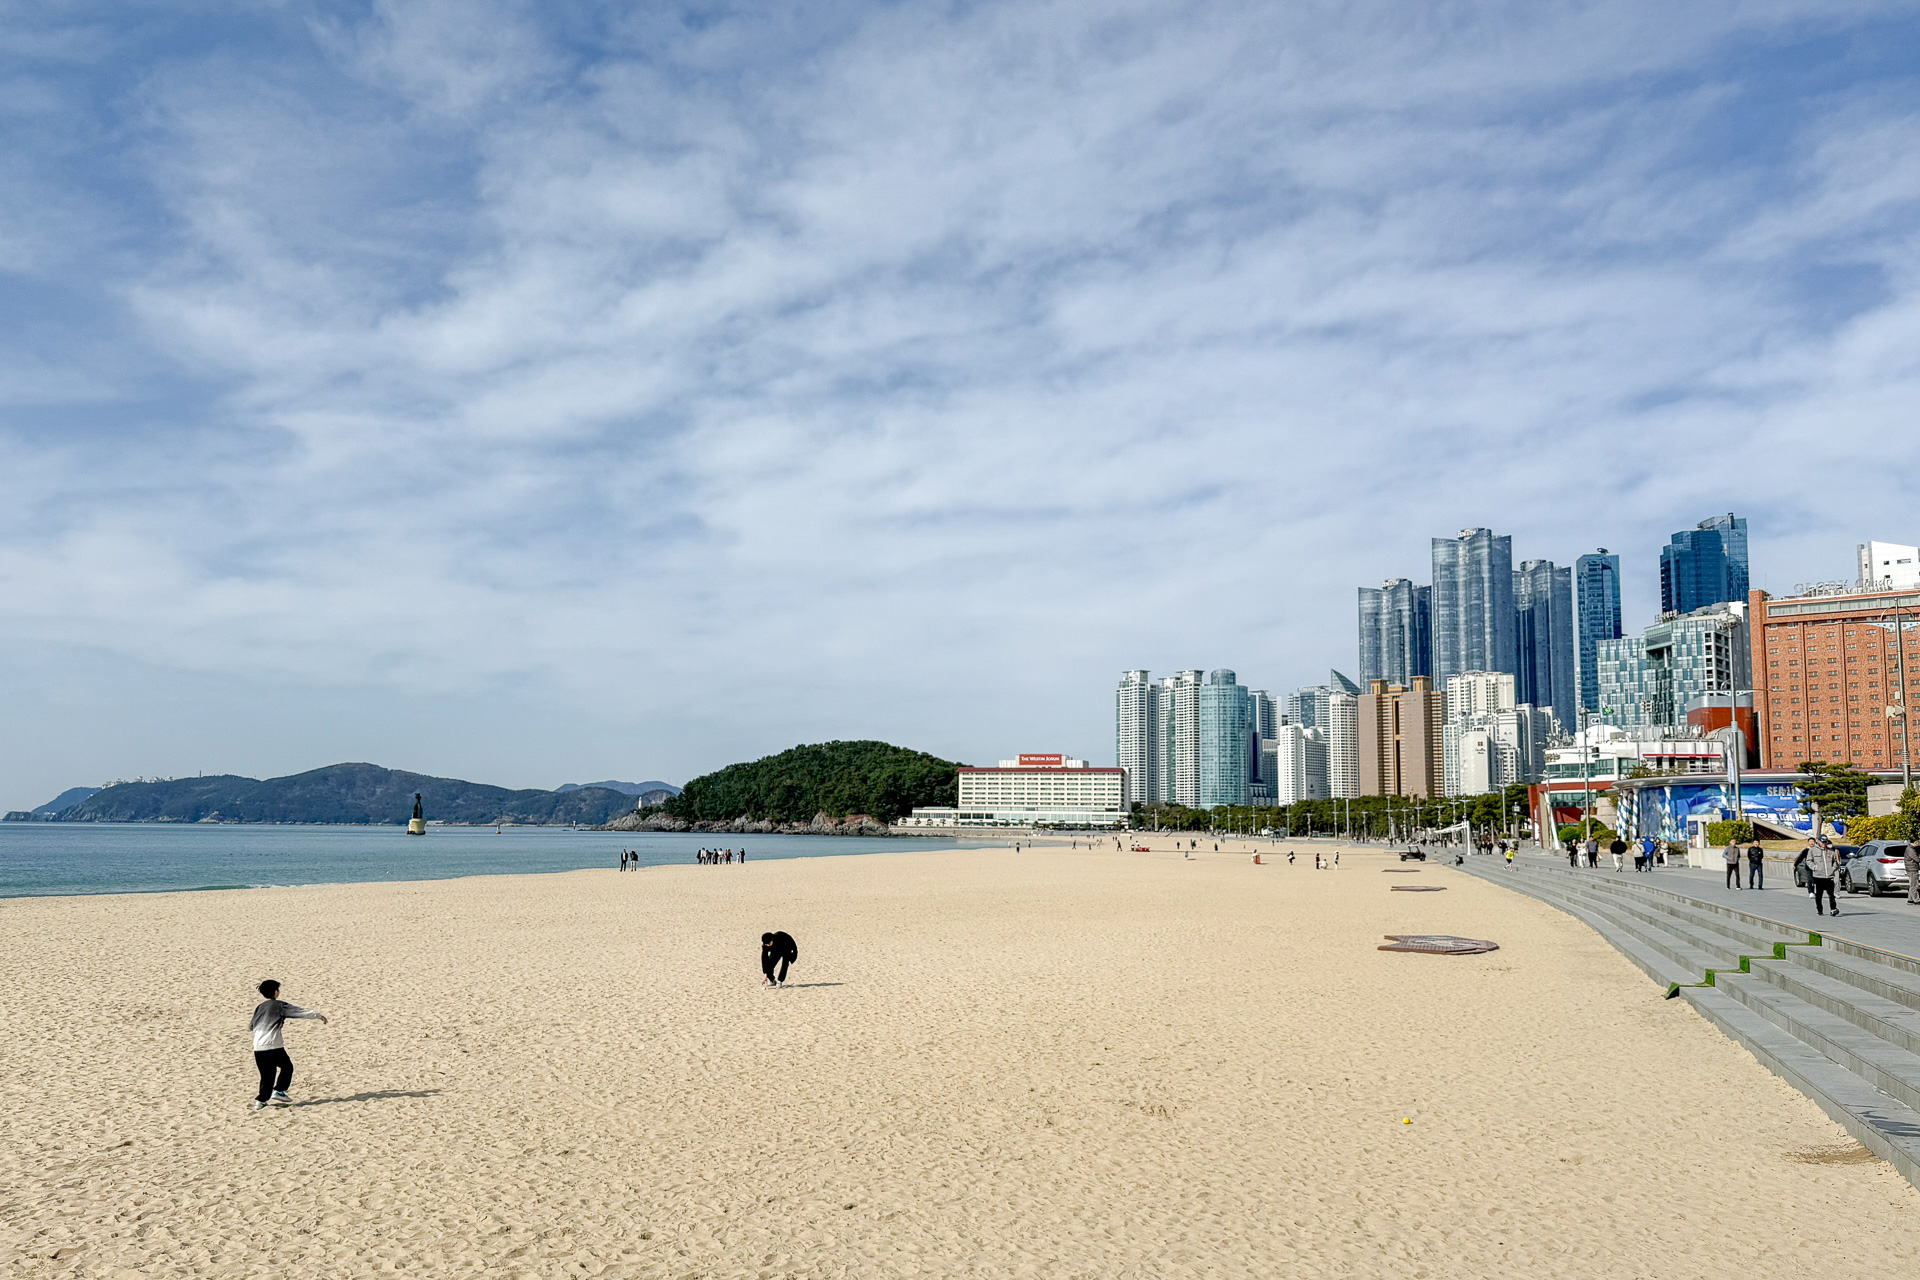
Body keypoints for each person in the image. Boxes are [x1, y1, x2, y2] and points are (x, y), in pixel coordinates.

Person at [249, 980, 326, 1111]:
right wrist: (317, 1015)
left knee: (267, 1076)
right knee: (287, 1067)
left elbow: (251, 1026)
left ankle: (261, 1101)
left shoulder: (259, 1007)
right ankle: (279, 1091)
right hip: (273, 1045)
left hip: (258, 1047)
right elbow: (298, 1012)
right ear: (275, 992)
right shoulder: (279, 1005)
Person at [1805, 839, 1841, 917]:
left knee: (1831, 894)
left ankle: (1833, 909)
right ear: (1819, 842)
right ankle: (1819, 910)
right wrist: (1815, 867)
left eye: (1825, 842)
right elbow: (1808, 861)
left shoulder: (1831, 850)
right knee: (1819, 895)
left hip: (1829, 876)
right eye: (1823, 842)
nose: (1824, 844)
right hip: (1818, 876)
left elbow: (1835, 860)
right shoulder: (1813, 850)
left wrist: (1833, 868)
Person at [1906, 840, 1919, 906]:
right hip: (1912, 869)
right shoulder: (1911, 849)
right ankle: (1916, 900)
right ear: (1915, 842)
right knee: (1914, 885)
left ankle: (1910, 900)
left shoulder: (1910, 848)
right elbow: (1916, 859)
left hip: (1911, 869)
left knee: (1912, 885)